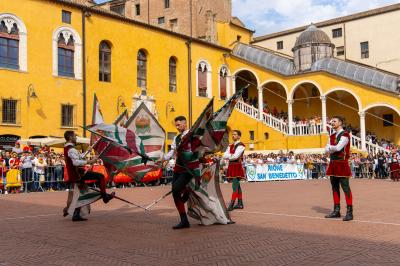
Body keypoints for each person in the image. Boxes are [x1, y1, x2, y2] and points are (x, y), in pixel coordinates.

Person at [63, 130, 114, 222]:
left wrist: (87, 151)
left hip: (76, 174)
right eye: (75, 136)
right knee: (100, 177)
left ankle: (76, 214)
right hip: (78, 174)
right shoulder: (71, 149)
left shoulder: (69, 148)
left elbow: (78, 157)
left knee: (82, 193)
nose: (76, 138)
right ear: (70, 137)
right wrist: (89, 161)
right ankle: (105, 197)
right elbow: (76, 162)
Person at [163, 116, 192, 229]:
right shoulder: (177, 137)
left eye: (179, 124)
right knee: (175, 193)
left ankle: (189, 191)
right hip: (178, 167)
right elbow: (173, 151)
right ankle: (184, 221)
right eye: (176, 125)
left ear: (185, 124)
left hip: (189, 168)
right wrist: (163, 158)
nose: (177, 127)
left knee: (175, 189)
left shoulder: (192, 134)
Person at [324, 116, 353, 221]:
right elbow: (325, 150)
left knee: (345, 188)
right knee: (334, 187)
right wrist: (331, 148)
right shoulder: (331, 135)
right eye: (331, 121)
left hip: (342, 163)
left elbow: (338, 148)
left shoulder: (345, 135)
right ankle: (336, 210)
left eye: (334, 121)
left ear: (340, 123)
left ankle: (350, 212)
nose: (332, 122)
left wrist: (330, 148)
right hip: (333, 163)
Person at [223, 130, 246, 211]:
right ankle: (240, 203)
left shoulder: (241, 145)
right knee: (237, 185)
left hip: (236, 166)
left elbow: (235, 156)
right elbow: (224, 154)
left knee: (234, 186)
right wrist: (230, 155)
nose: (233, 136)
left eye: (235, 134)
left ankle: (232, 204)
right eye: (232, 134)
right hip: (232, 165)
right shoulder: (231, 145)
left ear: (239, 136)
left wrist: (229, 155)